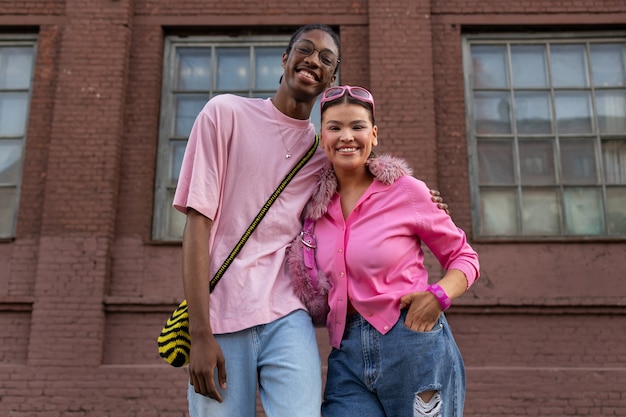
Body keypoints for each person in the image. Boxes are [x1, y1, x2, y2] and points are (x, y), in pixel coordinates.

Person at [173, 23, 450, 417]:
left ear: (331, 78)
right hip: (221, 315)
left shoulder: (324, 155)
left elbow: (370, 187)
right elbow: (197, 226)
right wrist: (199, 333)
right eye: (304, 50)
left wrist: (420, 197)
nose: (313, 61)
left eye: (326, 59)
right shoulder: (225, 114)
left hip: (287, 315)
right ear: (285, 59)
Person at [297, 85, 480, 417]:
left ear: (374, 135)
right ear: (322, 138)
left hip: (411, 341)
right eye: (335, 127)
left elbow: (464, 257)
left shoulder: (406, 192)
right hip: (346, 355)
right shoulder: (311, 208)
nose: (346, 137)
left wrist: (437, 296)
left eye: (357, 126)